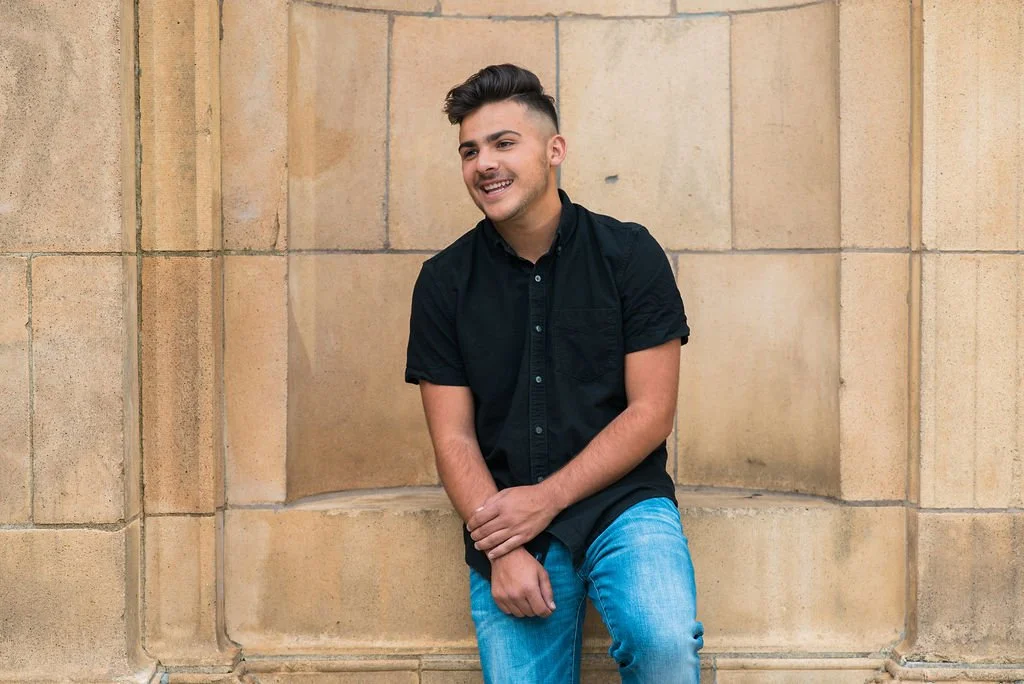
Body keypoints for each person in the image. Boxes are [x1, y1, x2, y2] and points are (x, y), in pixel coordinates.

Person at [405, 63, 703, 683]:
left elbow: (652, 413)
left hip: (624, 504)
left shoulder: (629, 254)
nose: (483, 162)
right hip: (508, 520)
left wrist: (549, 499)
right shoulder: (443, 282)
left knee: (665, 643)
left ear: (554, 149)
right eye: (469, 150)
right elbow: (453, 439)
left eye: (503, 142)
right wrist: (502, 548)